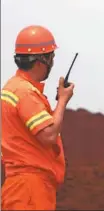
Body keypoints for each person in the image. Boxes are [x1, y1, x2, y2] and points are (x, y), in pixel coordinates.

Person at [1, 25, 75, 210]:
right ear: (41, 60)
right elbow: (48, 135)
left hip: (23, 186)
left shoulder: (14, 88)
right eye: (51, 56)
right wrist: (63, 101)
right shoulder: (25, 92)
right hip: (30, 189)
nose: (52, 61)